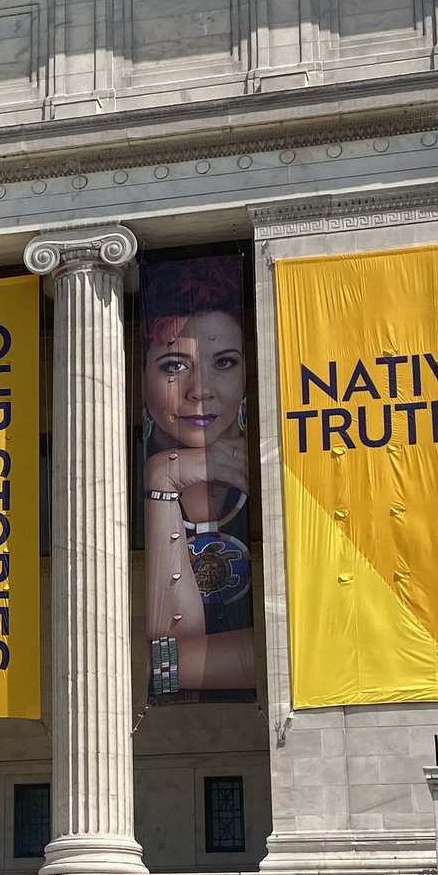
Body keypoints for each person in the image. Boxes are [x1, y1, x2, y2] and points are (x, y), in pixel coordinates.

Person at [140, 257, 255, 702]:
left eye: (224, 362)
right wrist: (161, 478)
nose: (200, 390)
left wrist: (174, 663)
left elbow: (164, 664)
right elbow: (166, 648)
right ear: (143, 374)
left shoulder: (270, 470)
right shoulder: (143, 473)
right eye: (173, 365)